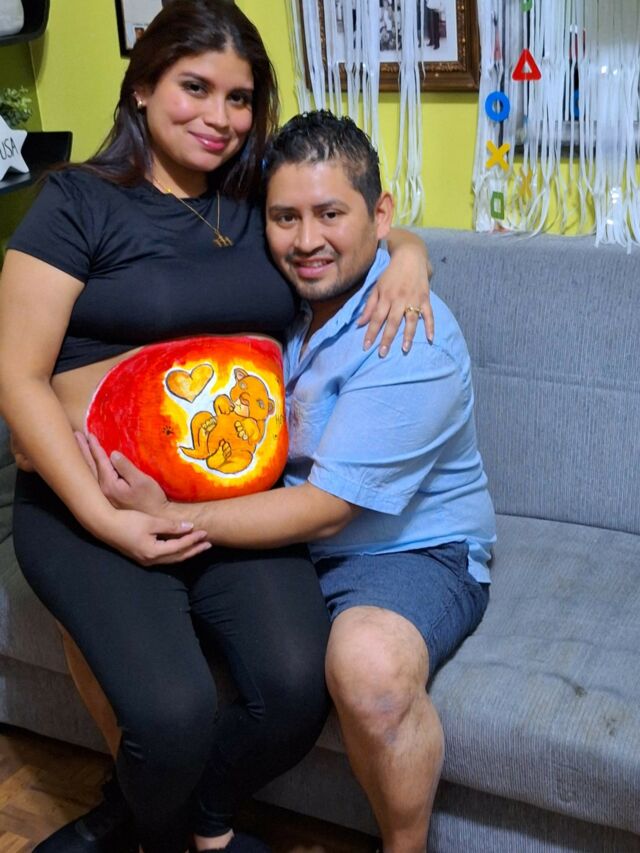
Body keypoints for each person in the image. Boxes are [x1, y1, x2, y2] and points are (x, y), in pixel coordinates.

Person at [0, 3, 435, 852]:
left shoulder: (252, 195)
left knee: (294, 687)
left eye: (240, 98)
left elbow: (347, 214)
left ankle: (173, 817)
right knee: (172, 714)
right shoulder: (76, 202)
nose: (220, 117)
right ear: (141, 85)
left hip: (233, 499)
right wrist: (109, 520)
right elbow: (17, 376)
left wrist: (409, 254)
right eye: (195, 87)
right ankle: (165, 832)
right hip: (92, 499)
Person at [86, 110, 497, 853]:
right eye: (286, 217)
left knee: (367, 667)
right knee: (111, 598)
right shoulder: (280, 300)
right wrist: (409, 249)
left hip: (404, 549)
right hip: (287, 535)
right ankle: (142, 803)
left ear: (378, 215)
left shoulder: (409, 333)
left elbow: (327, 509)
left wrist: (169, 513)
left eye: (331, 214)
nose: (307, 240)